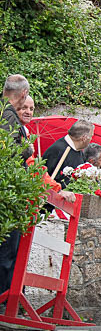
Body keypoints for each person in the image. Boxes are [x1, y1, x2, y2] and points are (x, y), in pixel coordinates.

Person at [0, 75, 35, 296]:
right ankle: (4, 299)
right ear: (23, 94)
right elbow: (8, 149)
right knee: (6, 251)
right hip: (7, 192)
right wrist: (28, 150)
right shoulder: (8, 116)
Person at [42, 119, 94, 188]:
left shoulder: (79, 152)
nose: (91, 139)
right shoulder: (58, 149)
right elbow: (44, 176)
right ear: (84, 138)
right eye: (91, 136)